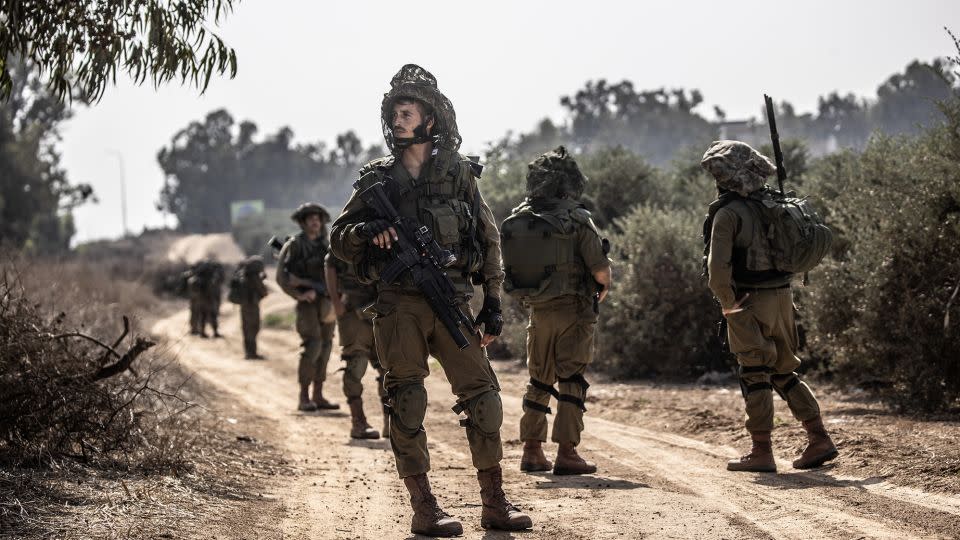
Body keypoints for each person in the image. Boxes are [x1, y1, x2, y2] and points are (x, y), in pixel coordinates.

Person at [330, 64, 532, 536]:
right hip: (398, 306)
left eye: (407, 112)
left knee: (484, 398)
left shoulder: (459, 176)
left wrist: (494, 302)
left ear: (430, 120)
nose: (398, 121)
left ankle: (494, 503)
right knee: (407, 401)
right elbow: (339, 239)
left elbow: (488, 238)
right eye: (394, 113)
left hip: (453, 300)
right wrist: (366, 231)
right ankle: (424, 508)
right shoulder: (376, 182)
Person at [701, 140, 839, 473]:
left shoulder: (728, 213)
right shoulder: (775, 204)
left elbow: (717, 271)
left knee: (754, 373)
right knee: (784, 371)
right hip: (782, 298)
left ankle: (761, 451)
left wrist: (729, 306)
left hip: (748, 301)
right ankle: (819, 438)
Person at [501, 146, 612, 475]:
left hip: (537, 313)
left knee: (538, 379)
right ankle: (567, 453)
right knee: (571, 380)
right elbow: (600, 270)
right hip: (573, 312)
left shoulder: (521, 218)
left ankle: (532, 451)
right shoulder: (577, 219)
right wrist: (604, 285)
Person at [277, 203, 339, 412]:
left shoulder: (327, 245)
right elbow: (282, 277)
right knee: (313, 346)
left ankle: (318, 395)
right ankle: (304, 396)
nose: (315, 222)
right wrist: (300, 294)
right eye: (311, 218)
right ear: (303, 223)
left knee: (326, 347)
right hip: (308, 306)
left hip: (327, 302)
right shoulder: (294, 245)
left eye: (318, 218)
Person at [325, 252, 387, 439]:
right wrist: (335, 301)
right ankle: (358, 422)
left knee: (388, 368)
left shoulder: (387, 229)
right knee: (355, 366)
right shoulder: (349, 229)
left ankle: (391, 422)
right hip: (353, 310)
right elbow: (330, 262)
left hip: (381, 309)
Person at [236, 255, 268, 359]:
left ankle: (248, 352)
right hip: (252, 307)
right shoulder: (254, 278)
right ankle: (252, 353)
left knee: (246, 328)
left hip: (244, 306)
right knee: (253, 328)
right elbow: (264, 292)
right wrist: (262, 281)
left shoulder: (243, 275)